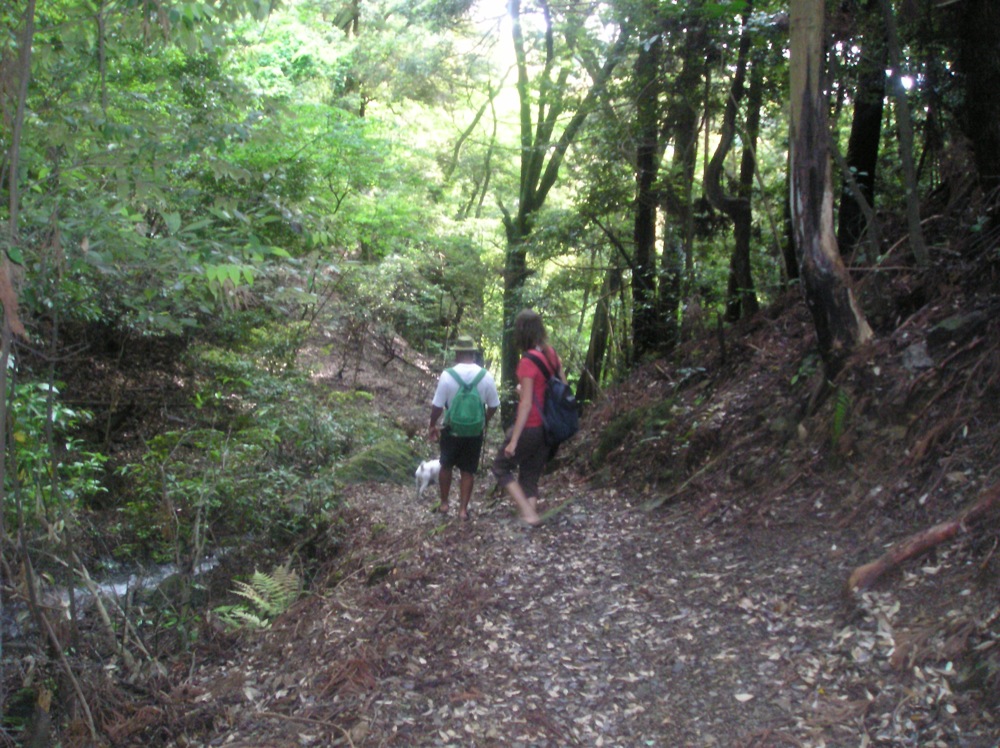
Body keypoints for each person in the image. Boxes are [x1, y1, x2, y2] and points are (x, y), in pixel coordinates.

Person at [492, 309, 566, 526]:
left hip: (531, 425)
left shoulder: (527, 362)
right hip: (549, 427)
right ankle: (529, 519)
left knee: (500, 467)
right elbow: (563, 386)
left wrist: (514, 440)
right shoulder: (551, 354)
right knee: (530, 475)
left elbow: (525, 404)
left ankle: (528, 513)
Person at [428, 335, 500, 521]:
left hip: (451, 429)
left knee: (446, 465)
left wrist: (432, 424)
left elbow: (437, 405)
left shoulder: (447, 375)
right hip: (474, 432)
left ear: (458, 353)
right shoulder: (486, 376)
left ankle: (444, 504)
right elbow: (493, 405)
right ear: (473, 354)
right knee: (468, 470)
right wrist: (483, 421)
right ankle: (462, 510)